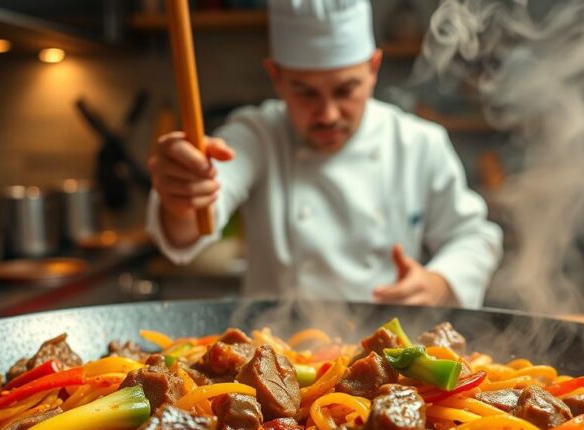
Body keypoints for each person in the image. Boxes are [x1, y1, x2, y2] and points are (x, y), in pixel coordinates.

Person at [146, 0, 503, 308]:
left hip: (389, 364)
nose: (328, 114)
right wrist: (185, 196)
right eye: (305, 93)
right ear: (277, 77)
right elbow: (207, 197)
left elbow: (474, 236)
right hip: (275, 362)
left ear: (373, 69)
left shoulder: (419, 142)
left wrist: (439, 283)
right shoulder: (258, 135)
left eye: (346, 89)